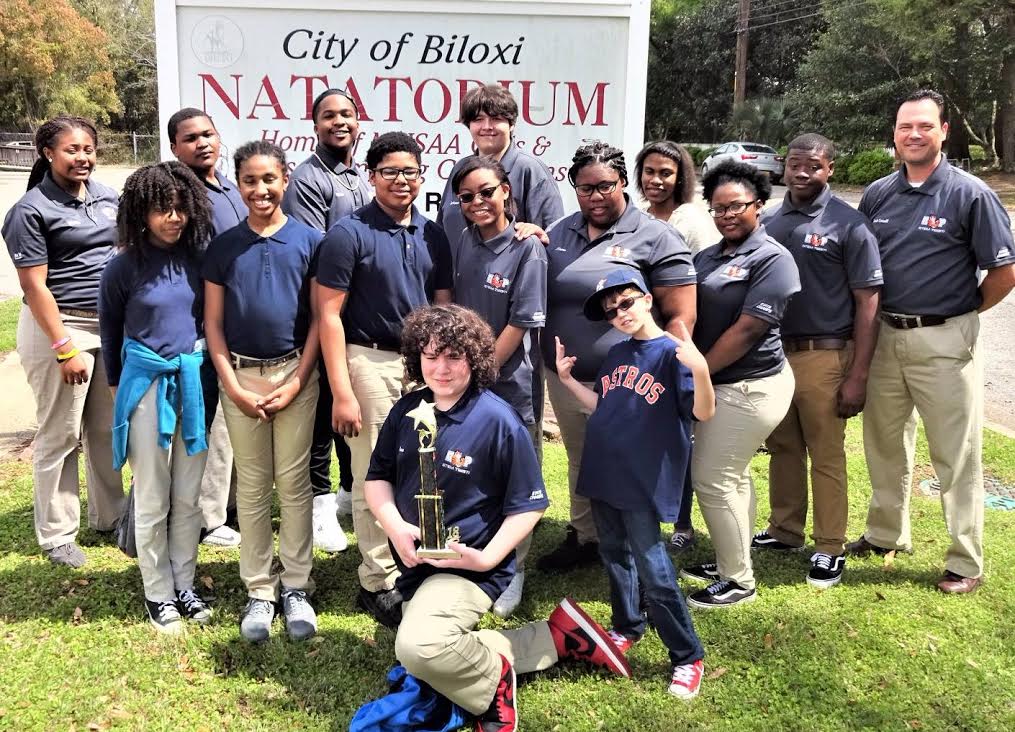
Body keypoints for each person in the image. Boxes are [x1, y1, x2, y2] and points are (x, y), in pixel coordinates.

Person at [364, 304, 631, 732]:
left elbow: (530, 504)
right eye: (431, 356)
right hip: (417, 563)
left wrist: (486, 559)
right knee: (421, 653)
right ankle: (558, 636)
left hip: (467, 567)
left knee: (418, 648)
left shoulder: (498, 421)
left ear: (474, 358)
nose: (442, 368)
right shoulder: (406, 411)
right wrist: (394, 526)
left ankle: (493, 687)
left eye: (453, 356)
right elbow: (376, 479)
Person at [847, 89, 1015, 594]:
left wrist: (960, 314)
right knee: (883, 441)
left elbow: (1004, 271)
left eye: (924, 126)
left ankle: (965, 561)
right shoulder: (878, 193)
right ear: (894, 135)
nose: (914, 135)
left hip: (945, 340)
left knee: (955, 453)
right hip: (885, 338)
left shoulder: (970, 194)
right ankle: (884, 534)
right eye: (905, 127)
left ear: (944, 131)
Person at [539, 141, 697, 572]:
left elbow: (681, 314)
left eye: (605, 186)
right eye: (585, 187)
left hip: (635, 381)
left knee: (630, 459)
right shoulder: (560, 233)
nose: (595, 196)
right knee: (582, 459)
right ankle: (587, 536)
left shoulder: (655, 235)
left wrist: (672, 369)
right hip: (569, 377)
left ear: (623, 182)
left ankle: (636, 543)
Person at [554, 269, 713, 699]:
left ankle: (687, 655)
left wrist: (701, 371)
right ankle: (627, 626)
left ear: (646, 299)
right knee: (613, 554)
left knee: (654, 569)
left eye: (625, 303)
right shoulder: (617, 353)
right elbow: (603, 406)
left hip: (643, 479)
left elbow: (702, 413)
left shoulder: (673, 354)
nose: (619, 314)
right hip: (605, 469)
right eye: (610, 311)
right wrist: (567, 381)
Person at [316, 132, 453, 628]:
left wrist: (441, 363)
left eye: (411, 171)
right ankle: (378, 579)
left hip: (426, 363)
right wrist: (342, 390)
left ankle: (430, 559)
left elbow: (442, 305)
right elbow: (328, 316)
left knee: (428, 465)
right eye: (390, 171)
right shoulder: (347, 234)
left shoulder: (432, 233)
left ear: (422, 176)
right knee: (376, 469)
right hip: (368, 360)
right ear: (371, 175)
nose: (402, 180)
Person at [750, 133, 883, 589]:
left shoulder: (850, 223)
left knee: (825, 453)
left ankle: (829, 546)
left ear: (830, 169)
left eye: (815, 166)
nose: (803, 173)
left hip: (824, 354)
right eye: (795, 165)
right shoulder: (768, 219)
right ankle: (785, 529)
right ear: (784, 166)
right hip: (772, 352)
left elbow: (868, 302)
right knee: (783, 444)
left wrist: (858, 374)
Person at [203, 141, 322, 642]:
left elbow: (321, 319)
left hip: (297, 373)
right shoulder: (223, 246)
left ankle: (296, 584)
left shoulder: (311, 241)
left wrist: (297, 380)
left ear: (286, 179)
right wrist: (232, 384)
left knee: (293, 485)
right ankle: (259, 590)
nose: (260, 190)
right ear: (238, 183)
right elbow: (212, 325)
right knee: (252, 488)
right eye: (249, 181)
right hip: (241, 377)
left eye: (269, 179)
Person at [98, 161, 215, 634]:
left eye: (180, 208)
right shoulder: (123, 266)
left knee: (189, 496)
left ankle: (184, 582)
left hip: (193, 383)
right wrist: (119, 394)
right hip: (146, 385)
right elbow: (109, 333)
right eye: (161, 209)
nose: (173, 218)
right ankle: (157, 591)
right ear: (140, 213)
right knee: (152, 496)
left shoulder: (200, 259)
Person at [2, 116, 123, 568]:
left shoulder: (109, 198)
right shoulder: (30, 211)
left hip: (107, 326)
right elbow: (35, 288)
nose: (83, 157)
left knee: (106, 430)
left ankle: (111, 517)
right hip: (59, 327)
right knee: (61, 433)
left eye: (88, 149)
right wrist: (64, 348)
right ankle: (57, 532)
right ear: (48, 153)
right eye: (72, 150)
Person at [679, 160, 800, 609]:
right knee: (735, 476)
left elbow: (748, 330)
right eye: (718, 208)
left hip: (749, 387)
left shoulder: (773, 259)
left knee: (712, 478)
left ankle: (738, 580)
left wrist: (698, 373)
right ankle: (735, 555)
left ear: (759, 205)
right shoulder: (709, 256)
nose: (727, 215)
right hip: (722, 384)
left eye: (737, 206)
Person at [449, 155, 547, 618]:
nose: (477, 202)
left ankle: (514, 567)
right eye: (467, 196)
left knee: (516, 477)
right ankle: (474, 557)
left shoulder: (528, 247)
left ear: (505, 190)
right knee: (473, 472)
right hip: (465, 384)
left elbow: (520, 323)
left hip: (508, 385)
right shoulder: (463, 239)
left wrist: (479, 373)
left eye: (486, 191)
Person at [282, 89, 371, 554]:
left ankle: (344, 493)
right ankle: (318, 506)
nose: (340, 122)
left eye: (348, 115)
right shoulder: (308, 179)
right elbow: (321, 255)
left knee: (349, 404)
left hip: (355, 313)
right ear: (314, 125)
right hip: (321, 312)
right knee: (321, 413)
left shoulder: (360, 176)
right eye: (329, 115)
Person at [634, 140, 720, 553]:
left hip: (678, 342)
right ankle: (644, 512)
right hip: (640, 340)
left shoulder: (692, 219)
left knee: (678, 436)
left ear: (681, 177)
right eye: (649, 171)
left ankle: (682, 522)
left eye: (665, 173)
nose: (656, 180)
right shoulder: (637, 218)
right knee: (646, 434)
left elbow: (702, 283)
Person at [168, 107, 246, 549]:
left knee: (230, 422)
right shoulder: (180, 194)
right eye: (191, 138)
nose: (203, 143)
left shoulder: (231, 188)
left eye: (209, 134)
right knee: (209, 423)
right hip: (201, 323)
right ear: (175, 147)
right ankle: (207, 516)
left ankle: (229, 505)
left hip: (237, 322)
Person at [437, 84, 564, 254]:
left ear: (511, 124)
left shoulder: (530, 170)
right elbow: (441, 230)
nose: (487, 126)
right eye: (478, 119)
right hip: (456, 279)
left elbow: (554, 239)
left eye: (496, 119)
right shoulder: (460, 169)